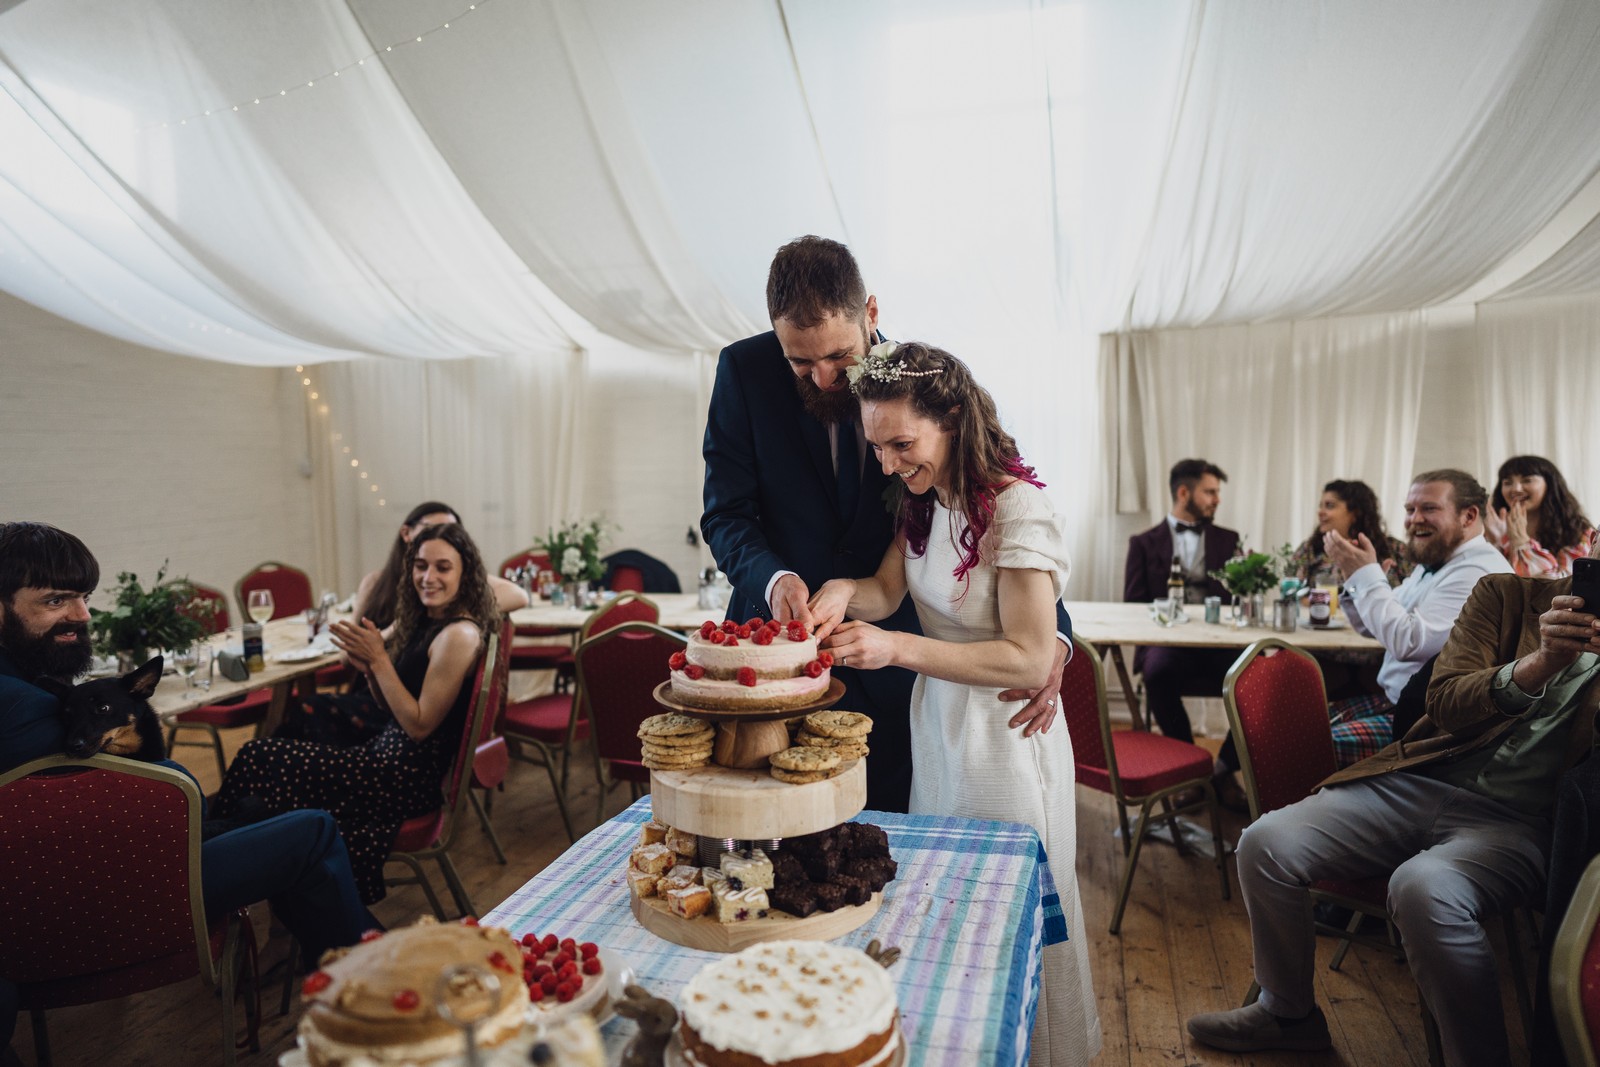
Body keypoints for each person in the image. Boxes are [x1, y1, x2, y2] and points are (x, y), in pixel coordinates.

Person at [700, 235, 1072, 813]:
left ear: (870, 314)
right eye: (800, 361)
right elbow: (726, 513)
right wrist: (776, 581)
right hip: (783, 663)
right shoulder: (743, 372)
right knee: (778, 829)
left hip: (911, 674)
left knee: (905, 843)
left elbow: (1006, 507)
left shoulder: (920, 382)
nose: (823, 378)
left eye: (839, 358)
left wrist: (1054, 642)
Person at [809, 341, 1099, 1066]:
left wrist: (898, 649)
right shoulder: (921, 497)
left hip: (1003, 739)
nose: (888, 463)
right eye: (877, 447)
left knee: (1006, 920)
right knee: (949, 910)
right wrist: (848, 592)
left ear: (953, 419)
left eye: (901, 443)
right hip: (939, 730)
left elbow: (1032, 654)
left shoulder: (1017, 506)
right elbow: (889, 591)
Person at [1185, 559, 1600, 1066]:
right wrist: (1540, 663)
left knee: (1422, 887)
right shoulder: (1505, 596)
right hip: (1419, 779)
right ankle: (1287, 1013)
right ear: (1592, 543)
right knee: (1264, 842)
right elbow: (1444, 700)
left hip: (1521, 822)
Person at [0, 522, 373, 1056]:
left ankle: (359, 957)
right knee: (313, 830)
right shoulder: (24, 709)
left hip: (55, 889)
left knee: (255, 806)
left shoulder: (22, 682)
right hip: (109, 897)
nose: (81, 615)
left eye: (83, 597)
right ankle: (363, 1003)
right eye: (55, 600)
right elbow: (167, 793)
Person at [213, 523, 496, 904]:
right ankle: (238, 865)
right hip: (383, 758)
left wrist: (380, 660)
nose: (428, 577)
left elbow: (419, 726)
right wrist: (369, 666)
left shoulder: (458, 635)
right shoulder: (429, 621)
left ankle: (212, 872)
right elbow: (390, 707)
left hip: (402, 781)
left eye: (443, 567)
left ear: (466, 573)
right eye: (420, 566)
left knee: (258, 757)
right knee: (267, 761)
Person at [1320, 470, 1513, 766]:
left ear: (1469, 516)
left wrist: (1367, 577)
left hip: (1428, 723)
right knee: (1307, 722)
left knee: (1311, 745)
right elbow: (1376, 628)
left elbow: (1408, 642)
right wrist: (1355, 576)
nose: (1414, 519)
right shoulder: (1437, 562)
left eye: (1429, 508)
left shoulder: (1476, 572)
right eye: (1410, 510)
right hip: (1395, 702)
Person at [1123, 459, 1241, 745]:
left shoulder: (1229, 541)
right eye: (1210, 492)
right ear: (1184, 494)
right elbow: (1134, 603)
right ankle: (1190, 764)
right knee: (1156, 672)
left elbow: (1239, 598)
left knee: (1261, 673)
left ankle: (1224, 769)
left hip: (1220, 643)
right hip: (1167, 645)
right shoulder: (1143, 543)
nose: (1217, 499)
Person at [353, 500, 528, 627]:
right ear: (406, 533)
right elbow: (346, 655)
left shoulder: (457, 580)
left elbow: (518, 595)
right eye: (431, 529)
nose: (441, 537)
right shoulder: (374, 582)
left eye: (451, 533)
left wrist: (450, 613)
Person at [1483, 454, 1596, 579]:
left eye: (1527, 480)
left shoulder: (1579, 533)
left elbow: (1561, 585)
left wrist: (1522, 543)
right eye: (1507, 482)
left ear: (1550, 485)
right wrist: (1497, 543)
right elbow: (1489, 582)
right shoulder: (1495, 530)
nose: (1516, 489)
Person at [1285, 479, 1409, 588]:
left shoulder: (1395, 549)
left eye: (1329, 506)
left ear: (1355, 512)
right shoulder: (1309, 549)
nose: (1320, 512)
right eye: (1320, 506)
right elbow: (1291, 592)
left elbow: (1416, 594)